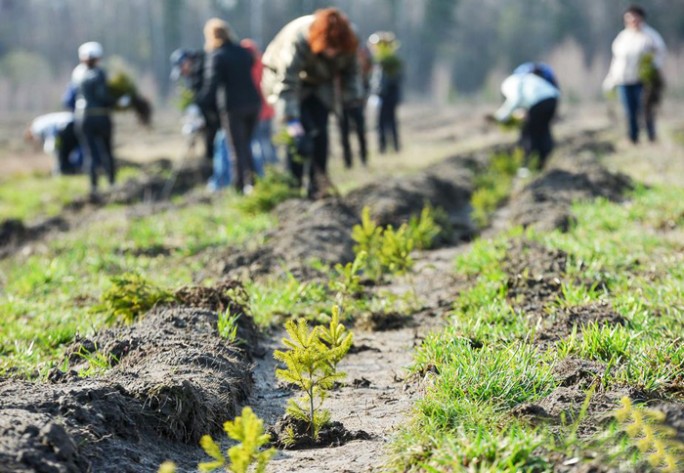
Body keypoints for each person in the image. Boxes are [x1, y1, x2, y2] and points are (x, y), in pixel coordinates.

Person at [262, 8, 363, 198]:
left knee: (320, 132)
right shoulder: (298, 39)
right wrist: (291, 120)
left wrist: (353, 102)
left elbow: (352, 73)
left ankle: (319, 184)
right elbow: (287, 83)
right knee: (299, 139)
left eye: (337, 49)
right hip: (284, 81)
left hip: (320, 83)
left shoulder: (349, 39)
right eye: (330, 47)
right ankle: (294, 185)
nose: (333, 53)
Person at [197, 18, 261, 194]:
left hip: (233, 107)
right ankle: (254, 184)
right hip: (253, 103)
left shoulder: (217, 56)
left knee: (236, 148)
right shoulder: (242, 52)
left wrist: (200, 104)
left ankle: (239, 188)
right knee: (247, 145)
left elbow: (212, 84)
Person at [603, 4, 667, 143]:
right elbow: (616, 60)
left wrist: (653, 66)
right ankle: (633, 138)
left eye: (635, 19)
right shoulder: (622, 37)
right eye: (629, 19)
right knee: (629, 111)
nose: (632, 22)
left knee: (644, 110)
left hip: (642, 80)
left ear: (641, 18)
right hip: (623, 80)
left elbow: (661, 54)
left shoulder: (650, 36)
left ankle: (651, 137)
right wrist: (611, 79)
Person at [69, 41, 116, 198]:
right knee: (106, 151)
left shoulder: (76, 74)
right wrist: (116, 101)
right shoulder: (99, 74)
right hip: (100, 116)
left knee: (90, 152)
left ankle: (94, 186)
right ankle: (111, 183)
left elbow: (69, 99)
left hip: (82, 117)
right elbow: (103, 96)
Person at [492, 67, 560, 171]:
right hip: (552, 98)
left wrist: (501, 115)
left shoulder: (508, 84)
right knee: (542, 130)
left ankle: (529, 166)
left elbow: (515, 99)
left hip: (540, 101)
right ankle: (543, 161)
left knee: (529, 132)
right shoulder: (523, 79)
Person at [170, 48, 219, 161]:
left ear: (186, 61)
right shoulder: (193, 75)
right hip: (208, 118)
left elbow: (210, 92)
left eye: (182, 68)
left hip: (217, 115)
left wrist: (200, 107)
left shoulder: (204, 66)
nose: (183, 73)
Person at [240, 38, 278, 176]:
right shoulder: (264, 63)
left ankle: (264, 173)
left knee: (259, 143)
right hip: (268, 110)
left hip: (257, 111)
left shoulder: (247, 69)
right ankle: (275, 170)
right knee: (269, 141)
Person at [339, 43, 372, 168]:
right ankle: (348, 161)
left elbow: (366, 80)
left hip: (356, 102)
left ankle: (364, 159)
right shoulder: (338, 61)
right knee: (344, 133)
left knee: (360, 131)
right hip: (342, 103)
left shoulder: (360, 59)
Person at [369, 31, 402, 154]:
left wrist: (378, 92)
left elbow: (387, 81)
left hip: (386, 96)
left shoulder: (388, 62)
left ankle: (387, 147)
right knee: (389, 122)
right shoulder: (389, 61)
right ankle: (390, 147)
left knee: (384, 123)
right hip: (388, 96)